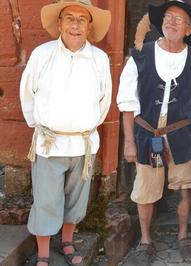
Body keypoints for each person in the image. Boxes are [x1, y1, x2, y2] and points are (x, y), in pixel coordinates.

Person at [19, 0, 111, 265]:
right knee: (46, 199)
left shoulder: (99, 59)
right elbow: (27, 93)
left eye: (82, 19)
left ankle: (68, 241)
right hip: (49, 143)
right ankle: (45, 253)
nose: (75, 24)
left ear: (89, 26)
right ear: (59, 23)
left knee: (76, 199)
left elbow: (104, 101)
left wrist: (84, 126)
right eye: (69, 18)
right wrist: (42, 127)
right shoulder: (42, 54)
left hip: (83, 143)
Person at [117, 0, 191, 264]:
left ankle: (182, 236)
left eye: (179, 20)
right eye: (168, 17)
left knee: (183, 188)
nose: (171, 22)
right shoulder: (140, 54)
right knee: (145, 189)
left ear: (188, 30)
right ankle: (146, 240)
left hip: (180, 135)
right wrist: (129, 142)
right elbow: (127, 103)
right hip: (146, 134)